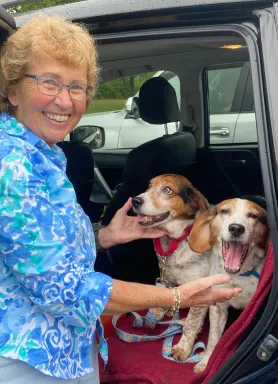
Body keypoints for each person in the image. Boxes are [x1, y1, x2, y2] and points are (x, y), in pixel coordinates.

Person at [0, 14, 241, 383]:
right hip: (31, 360)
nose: (65, 100)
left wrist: (106, 236)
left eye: (77, 86)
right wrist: (176, 298)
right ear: (12, 90)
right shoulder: (14, 167)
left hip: (65, 345)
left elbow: (43, 253)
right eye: (48, 82)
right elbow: (67, 292)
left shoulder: (43, 155)